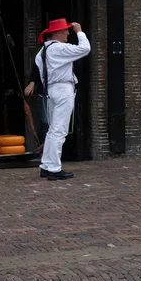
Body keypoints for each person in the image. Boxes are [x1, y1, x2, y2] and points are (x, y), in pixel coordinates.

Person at [35, 19, 90, 180]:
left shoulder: (42, 51)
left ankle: (47, 165)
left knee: (53, 129)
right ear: (57, 33)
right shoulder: (59, 48)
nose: (67, 33)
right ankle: (53, 168)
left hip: (51, 89)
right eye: (65, 30)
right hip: (63, 88)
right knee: (59, 130)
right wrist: (79, 31)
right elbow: (85, 48)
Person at [24, 58, 48, 154]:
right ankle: (43, 148)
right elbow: (38, 64)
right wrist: (32, 81)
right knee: (45, 121)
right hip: (47, 91)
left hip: (61, 91)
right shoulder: (44, 52)